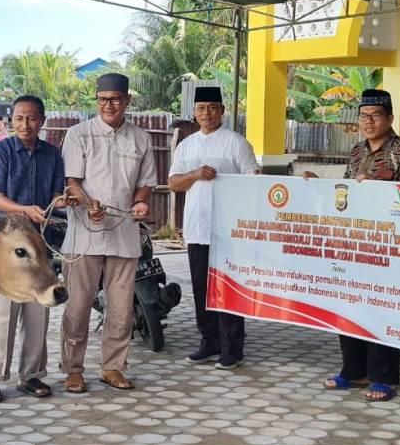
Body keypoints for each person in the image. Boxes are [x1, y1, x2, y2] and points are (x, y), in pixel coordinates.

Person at [322, 89, 400, 402]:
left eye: (375, 115)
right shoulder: (356, 151)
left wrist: (384, 189)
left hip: (389, 242)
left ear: (389, 118)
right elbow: (347, 190)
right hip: (356, 241)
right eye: (364, 116)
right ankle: (354, 371)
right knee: (351, 302)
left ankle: (384, 376)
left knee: (383, 308)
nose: (368, 121)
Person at [59, 73, 156, 393]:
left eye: (115, 99)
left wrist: (141, 203)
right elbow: (72, 183)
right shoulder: (79, 134)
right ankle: (73, 369)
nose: (108, 105)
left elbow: (145, 184)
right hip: (85, 235)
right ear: (96, 101)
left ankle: (113, 367)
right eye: (102, 100)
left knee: (121, 308)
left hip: (124, 234)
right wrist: (88, 204)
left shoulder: (140, 138)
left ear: (127, 101)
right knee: (77, 307)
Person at [0, 95, 66, 403]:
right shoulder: (1, 152)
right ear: (11, 121)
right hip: (6, 244)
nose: (25, 124)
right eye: (19, 118)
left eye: (31, 118)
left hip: (41, 242)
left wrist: (59, 202)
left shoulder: (53, 155)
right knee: (1, 313)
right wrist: (26, 210)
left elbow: (56, 193)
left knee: (38, 310)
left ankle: (31, 376)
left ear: (42, 121)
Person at [168, 86, 259, 370]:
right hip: (197, 227)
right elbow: (173, 183)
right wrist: (195, 174)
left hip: (229, 230)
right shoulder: (187, 145)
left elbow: (253, 180)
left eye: (212, 107)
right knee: (201, 288)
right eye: (201, 108)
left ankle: (233, 348)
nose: (206, 113)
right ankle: (209, 342)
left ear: (222, 110)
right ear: (194, 113)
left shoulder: (236, 143)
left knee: (228, 288)